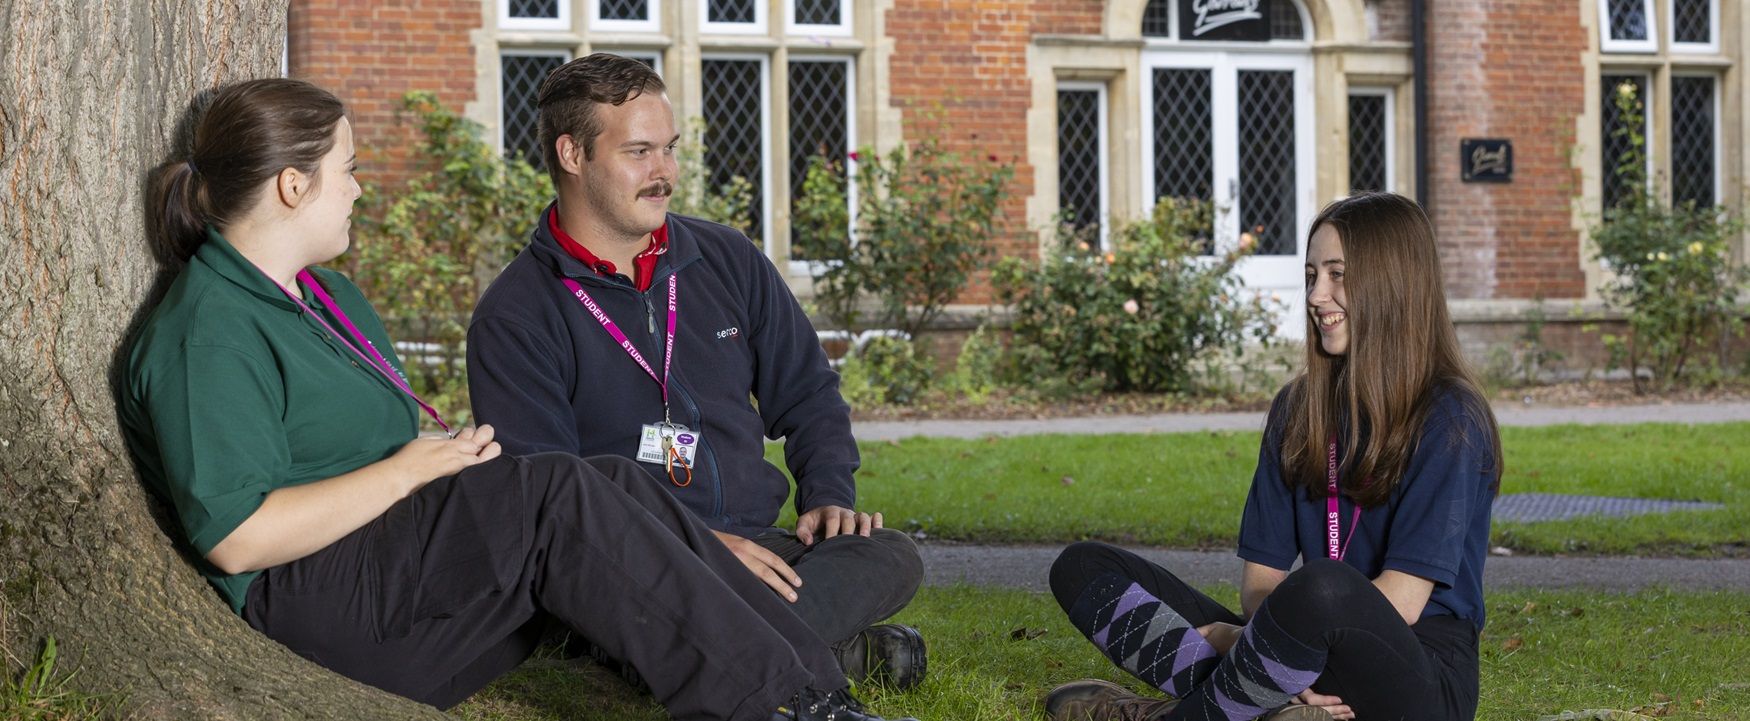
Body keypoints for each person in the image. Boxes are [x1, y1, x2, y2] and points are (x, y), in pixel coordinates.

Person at [121, 77, 917, 721]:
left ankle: (816, 691)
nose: (361, 189)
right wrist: (409, 471)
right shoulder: (209, 329)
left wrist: (439, 468)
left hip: (396, 561)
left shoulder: (326, 298)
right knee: (563, 490)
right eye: (349, 168)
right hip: (316, 593)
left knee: (607, 480)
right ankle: (782, 700)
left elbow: (808, 393)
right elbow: (239, 539)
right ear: (294, 185)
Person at [466, 53, 926, 689]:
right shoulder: (515, 315)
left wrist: (827, 496)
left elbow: (811, 392)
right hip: (634, 561)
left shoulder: (727, 258)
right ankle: (806, 653)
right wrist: (692, 547)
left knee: (888, 555)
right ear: (573, 156)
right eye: (639, 152)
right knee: (610, 598)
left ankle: (705, 658)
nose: (666, 173)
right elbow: (550, 497)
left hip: (760, 546)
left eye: (670, 149)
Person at [1041, 192, 1502, 721]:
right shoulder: (1297, 408)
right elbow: (1262, 585)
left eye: (1337, 275)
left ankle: (1183, 714)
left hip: (1418, 675)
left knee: (1322, 585)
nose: (1316, 295)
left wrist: (1237, 639)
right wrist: (1275, 646)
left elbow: (1400, 604)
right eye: (1311, 276)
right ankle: (1268, 705)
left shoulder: (1450, 418)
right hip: (1290, 642)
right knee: (1083, 568)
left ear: (1393, 284)